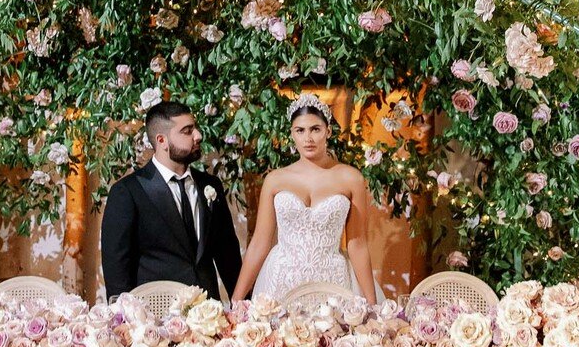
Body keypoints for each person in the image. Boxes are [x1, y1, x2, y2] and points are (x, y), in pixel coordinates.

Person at [230, 93, 379, 305]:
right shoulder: (275, 180)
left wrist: (372, 303)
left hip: (332, 283)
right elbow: (259, 244)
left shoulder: (351, 178)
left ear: (328, 131)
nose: (308, 138)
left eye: (315, 129)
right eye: (300, 130)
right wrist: (236, 301)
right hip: (282, 282)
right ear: (292, 134)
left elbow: (358, 244)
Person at [100, 99, 243, 305]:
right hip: (157, 313)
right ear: (162, 140)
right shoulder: (128, 192)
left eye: (195, 128)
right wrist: (123, 317)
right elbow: (117, 269)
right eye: (187, 131)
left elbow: (228, 256)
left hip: (209, 311)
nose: (198, 135)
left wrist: (243, 308)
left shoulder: (210, 185)